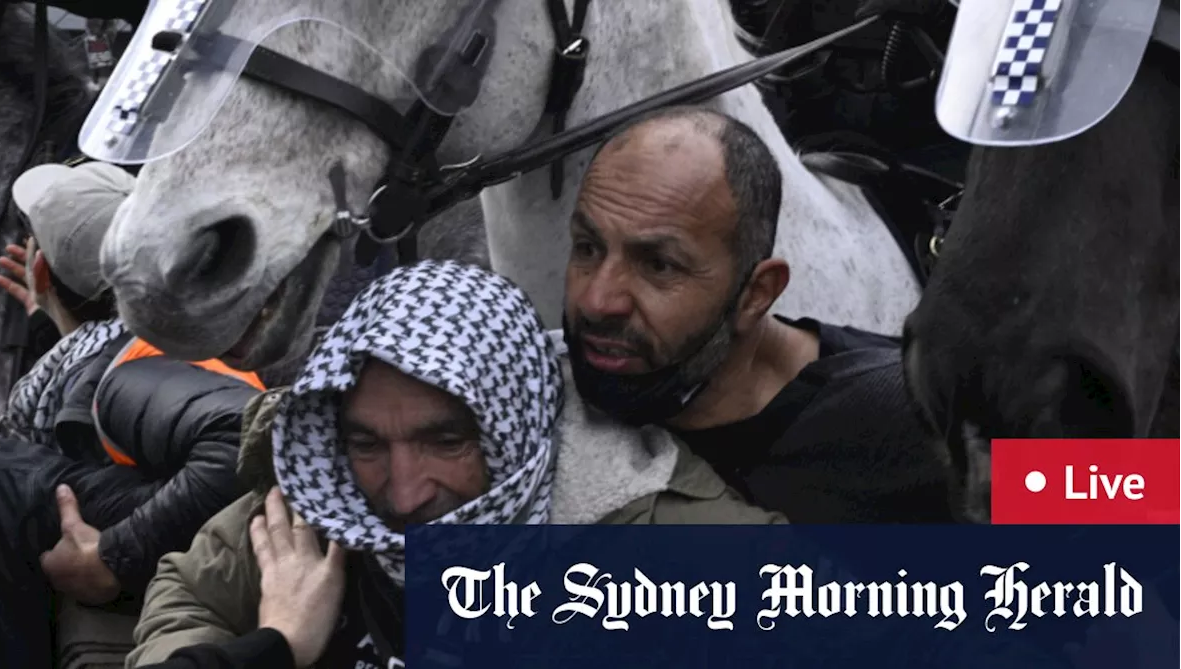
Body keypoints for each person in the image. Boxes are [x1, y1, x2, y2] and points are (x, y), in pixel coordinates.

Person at [126, 260, 786, 669]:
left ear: (513, 423)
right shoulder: (318, 504)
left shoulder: (659, 537)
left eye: (446, 442)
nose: (405, 493)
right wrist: (276, 644)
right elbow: (187, 597)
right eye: (368, 444)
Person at [561, 105, 954, 523]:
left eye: (659, 265)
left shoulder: (910, 415)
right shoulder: (537, 393)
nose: (597, 301)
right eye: (588, 247)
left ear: (755, 295)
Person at [0, 159, 267, 605]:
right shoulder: (187, 337)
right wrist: (55, 328)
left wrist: (114, 557)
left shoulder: (121, 379)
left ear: (38, 272)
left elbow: (243, 436)